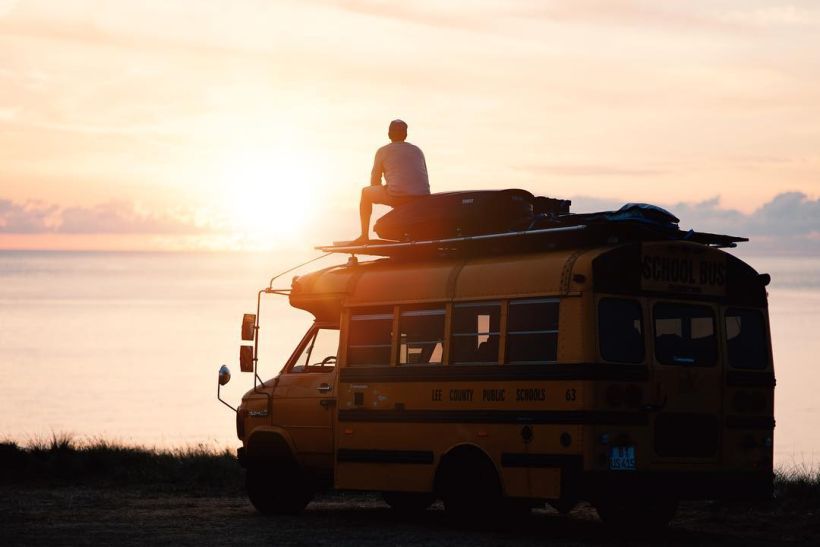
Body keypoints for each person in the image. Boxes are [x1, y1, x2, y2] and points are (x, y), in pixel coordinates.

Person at [350, 119, 430, 244]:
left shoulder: (383, 151)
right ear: (405, 135)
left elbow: (375, 179)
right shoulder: (417, 150)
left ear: (389, 134)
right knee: (397, 190)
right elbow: (422, 175)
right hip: (422, 197)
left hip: (398, 196)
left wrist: (384, 192)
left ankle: (364, 236)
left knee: (365, 193)